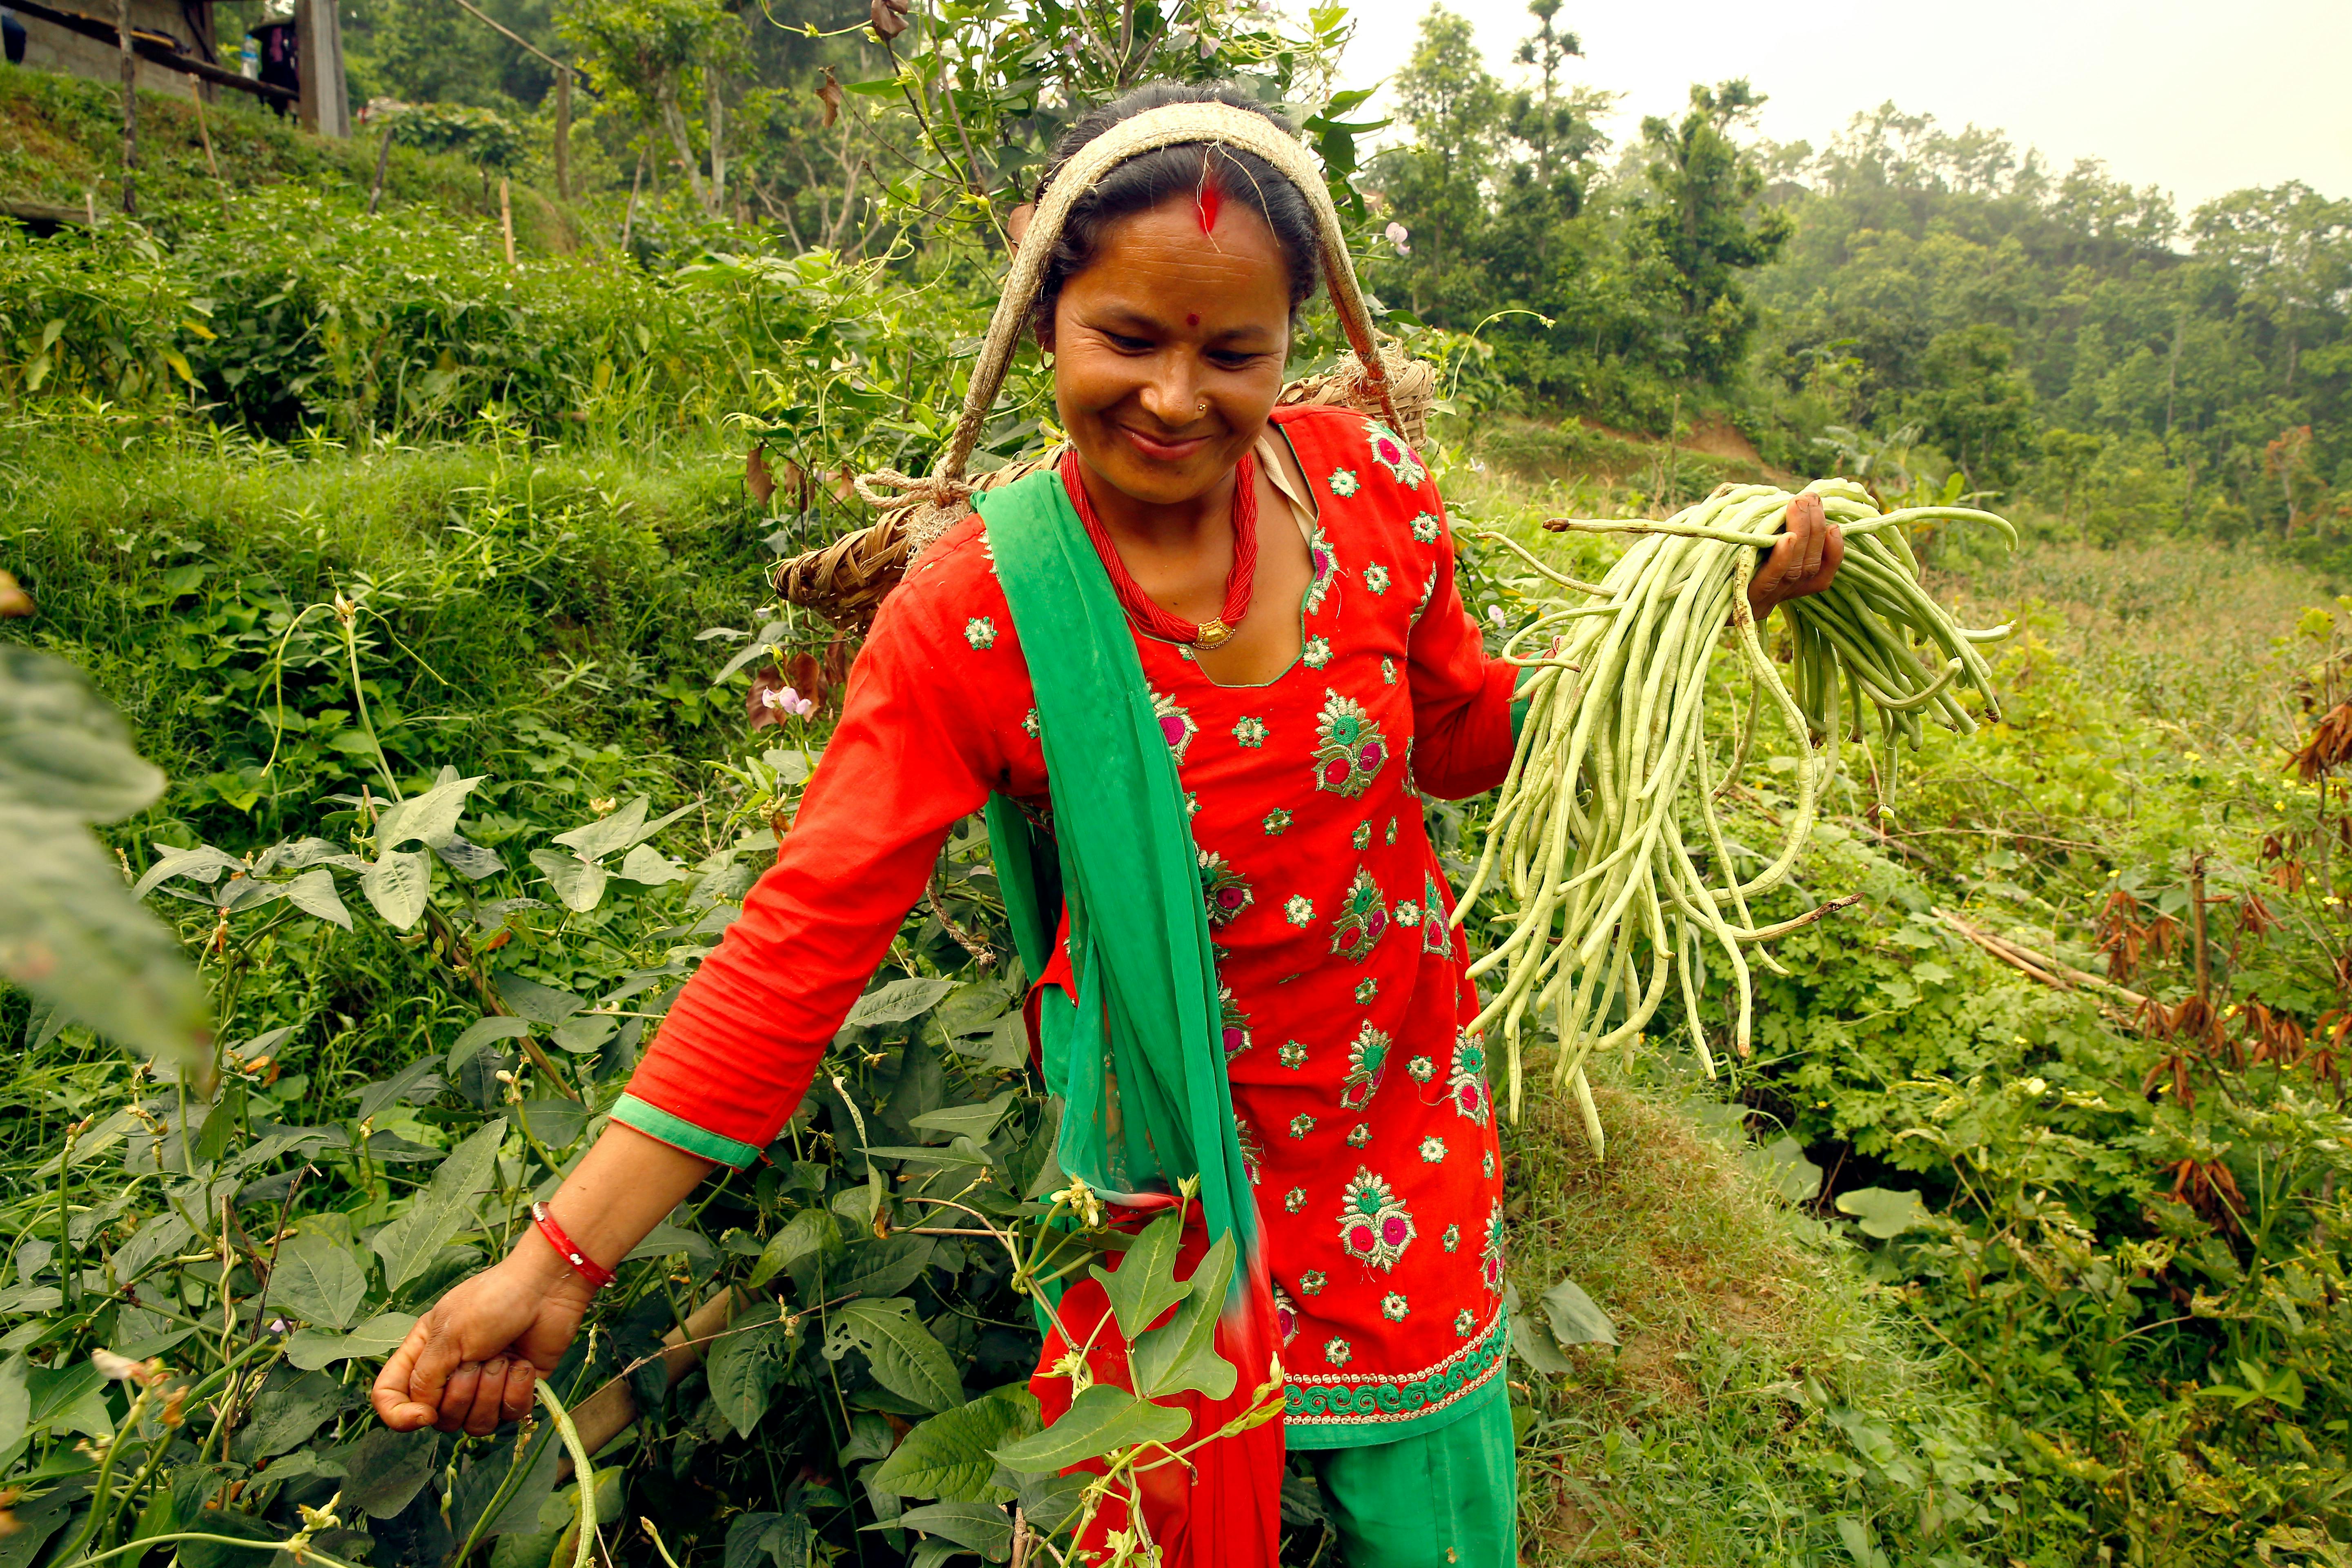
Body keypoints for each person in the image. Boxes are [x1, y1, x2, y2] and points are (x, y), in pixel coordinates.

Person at [370, 82, 1842, 1567]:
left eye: (1235, 351)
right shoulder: (980, 612)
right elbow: (796, 946)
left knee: (1434, 1534)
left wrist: (1689, 612)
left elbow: (1456, 740)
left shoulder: (1371, 490)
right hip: (1159, 1186)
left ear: (1296, 338)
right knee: (1162, 1518)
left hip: (1395, 1138)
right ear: (1044, 309)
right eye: (1128, 338)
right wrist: (559, 1259)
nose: (1177, 398)